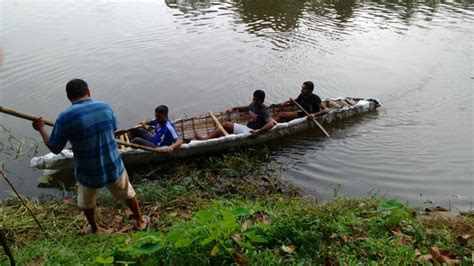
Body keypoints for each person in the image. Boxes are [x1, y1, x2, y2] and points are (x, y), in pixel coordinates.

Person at [32, 79, 148, 234]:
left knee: (87, 203)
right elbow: (114, 128)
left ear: (68, 97)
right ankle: (140, 221)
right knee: (128, 193)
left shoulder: (64, 117)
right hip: (112, 163)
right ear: (89, 91)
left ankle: (95, 229)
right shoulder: (105, 108)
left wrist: (41, 129)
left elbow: (55, 148)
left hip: (87, 170)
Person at [195, 90, 273, 140]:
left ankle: (205, 139)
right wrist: (235, 108)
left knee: (225, 124)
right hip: (246, 128)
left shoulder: (264, 110)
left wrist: (257, 132)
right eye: (253, 99)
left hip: (251, 131)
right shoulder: (253, 104)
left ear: (262, 101)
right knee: (226, 127)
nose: (254, 101)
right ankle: (213, 135)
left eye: (257, 100)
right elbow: (246, 108)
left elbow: (270, 123)